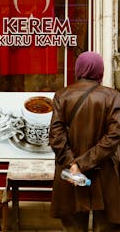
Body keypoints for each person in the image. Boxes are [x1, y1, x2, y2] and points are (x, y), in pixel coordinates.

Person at [49, 51, 120, 232]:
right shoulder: (112, 97)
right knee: (105, 227)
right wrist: (83, 163)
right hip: (104, 175)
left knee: (73, 227)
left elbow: (56, 136)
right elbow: (113, 138)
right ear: (100, 71)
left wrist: (74, 164)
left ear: (79, 69)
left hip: (70, 175)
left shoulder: (62, 95)